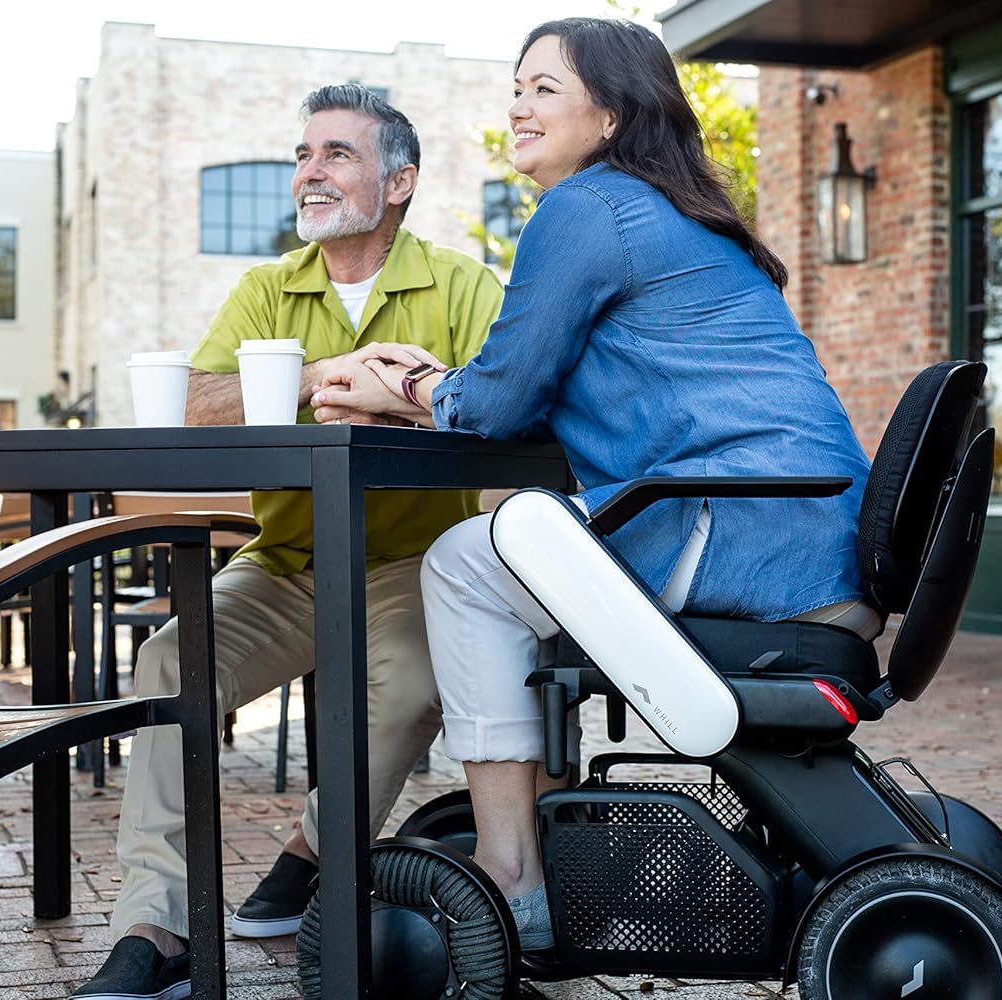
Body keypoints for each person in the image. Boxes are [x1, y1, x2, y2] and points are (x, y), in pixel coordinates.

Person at [307, 18, 881, 951]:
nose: (517, 107)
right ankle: (535, 821)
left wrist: (399, 385)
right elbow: (527, 394)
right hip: (798, 536)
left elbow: (494, 404)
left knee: (463, 562)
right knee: (522, 562)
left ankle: (512, 873)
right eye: (518, 86)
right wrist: (429, 391)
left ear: (611, 115)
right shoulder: (669, 211)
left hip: (739, 533)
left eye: (544, 89)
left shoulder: (587, 211)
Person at [75, 84, 504, 999]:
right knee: (167, 662)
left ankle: (315, 845)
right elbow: (191, 404)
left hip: (410, 565)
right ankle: (157, 922)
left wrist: (411, 397)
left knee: (417, 685)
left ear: (400, 182)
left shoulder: (464, 284)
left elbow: (504, 412)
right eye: (303, 155)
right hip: (282, 565)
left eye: (337, 154)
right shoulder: (266, 288)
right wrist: (316, 377)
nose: (309, 172)